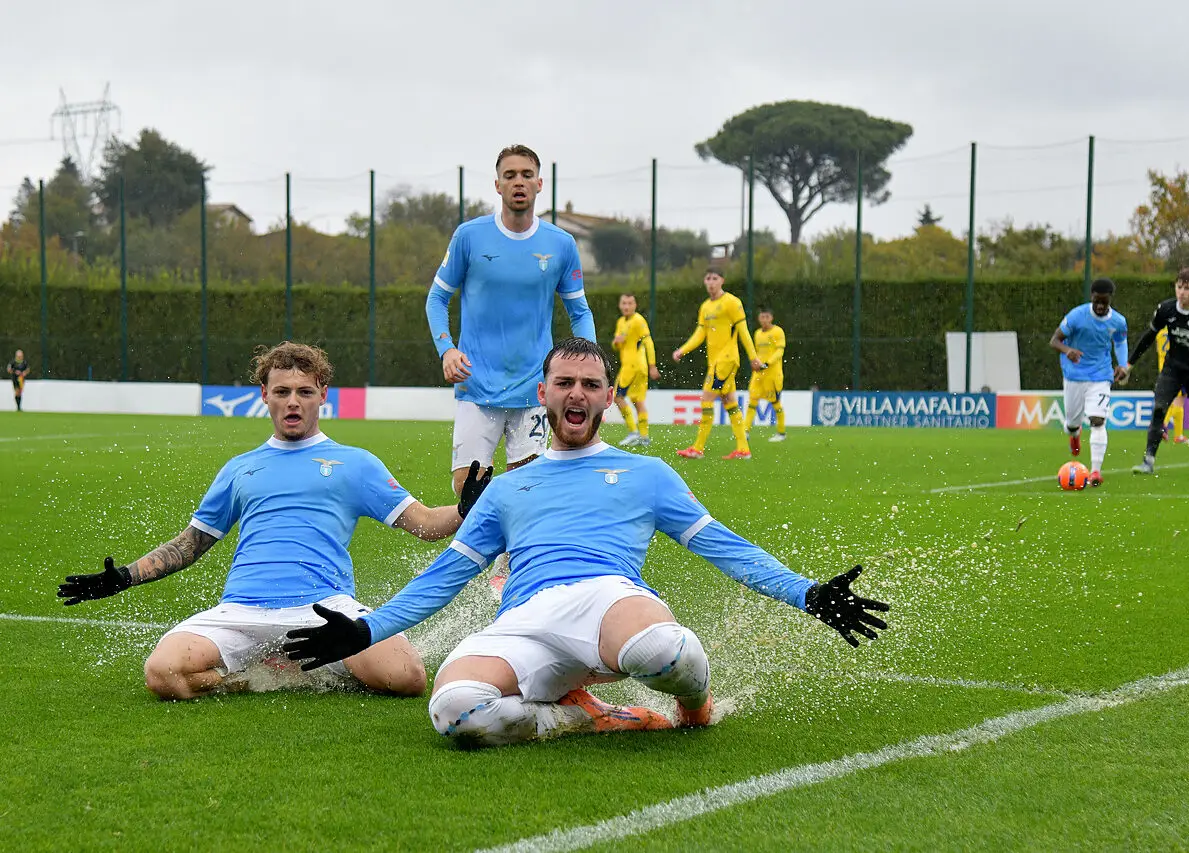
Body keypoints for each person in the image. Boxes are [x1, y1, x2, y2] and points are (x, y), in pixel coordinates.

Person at [284, 338, 889, 748]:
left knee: (666, 652)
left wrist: (807, 594)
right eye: (565, 382)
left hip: (608, 601)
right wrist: (368, 630)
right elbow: (444, 578)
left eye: (591, 384)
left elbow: (725, 547)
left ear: (608, 397)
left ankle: (694, 709)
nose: (577, 393)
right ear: (543, 394)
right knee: (456, 713)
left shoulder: (646, 474)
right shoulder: (506, 489)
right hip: (523, 619)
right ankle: (584, 714)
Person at [57, 342, 492, 701]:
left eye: (304, 392)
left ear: (323, 393)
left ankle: (303, 661)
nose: (292, 402)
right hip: (242, 611)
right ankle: (271, 675)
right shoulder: (239, 469)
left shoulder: (355, 464)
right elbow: (190, 544)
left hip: (325, 609)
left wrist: (462, 511)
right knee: (163, 673)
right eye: (281, 391)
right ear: (264, 395)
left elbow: (422, 523)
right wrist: (125, 577)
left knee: (407, 676)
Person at [426, 143, 596, 498]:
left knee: (527, 492)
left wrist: (589, 365)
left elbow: (579, 312)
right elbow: (437, 298)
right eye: (510, 175)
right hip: (476, 383)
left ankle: (509, 558)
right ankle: (483, 553)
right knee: (467, 491)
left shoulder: (561, 244)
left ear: (539, 184)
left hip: (535, 385)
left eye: (526, 175)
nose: (519, 181)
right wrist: (447, 350)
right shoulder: (468, 236)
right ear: (497, 185)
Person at [1126, 267, 1189, 474]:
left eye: (1187, 288)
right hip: (1173, 369)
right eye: (1179, 287)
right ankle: (1148, 461)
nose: (1182, 292)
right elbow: (1149, 336)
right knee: (1158, 409)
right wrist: (1129, 364)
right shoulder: (1166, 309)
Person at [672, 269, 764, 460]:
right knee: (730, 403)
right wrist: (683, 350)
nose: (711, 282)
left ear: (722, 280)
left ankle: (697, 448)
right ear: (704, 282)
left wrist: (753, 357)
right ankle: (743, 449)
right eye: (708, 278)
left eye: (715, 278)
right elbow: (700, 334)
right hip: (715, 362)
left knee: (706, 399)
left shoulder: (732, 302)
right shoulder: (705, 307)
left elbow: (744, 331)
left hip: (727, 360)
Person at [1049, 278, 1129, 486]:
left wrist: (1122, 365)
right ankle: (1074, 434)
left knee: (1098, 419)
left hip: (1101, 376)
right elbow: (1054, 340)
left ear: (1110, 299)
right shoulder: (1076, 316)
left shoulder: (1118, 321)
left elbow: (1120, 342)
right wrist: (1068, 351)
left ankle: (1095, 472)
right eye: (1097, 301)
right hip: (1074, 375)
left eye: (1104, 302)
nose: (1100, 306)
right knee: (1072, 423)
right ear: (1091, 298)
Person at [610, 293, 659, 448]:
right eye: (624, 303)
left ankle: (633, 432)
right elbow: (616, 345)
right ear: (619, 305)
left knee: (617, 397)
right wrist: (616, 342)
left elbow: (648, 342)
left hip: (633, 367)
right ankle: (644, 437)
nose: (626, 306)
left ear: (635, 305)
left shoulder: (638, 320)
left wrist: (653, 365)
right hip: (638, 367)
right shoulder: (621, 322)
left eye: (630, 303)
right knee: (638, 401)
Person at [746, 307, 787, 443]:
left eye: (767, 317)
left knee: (775, 403)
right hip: (758, 374)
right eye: (762, 317)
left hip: (773, 374)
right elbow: (758, 352)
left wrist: (767, 363)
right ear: (759, 318)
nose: (764, 320)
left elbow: (779, 352)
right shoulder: (757, 333)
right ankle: (745, 432)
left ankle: (781, 433)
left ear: (771, 318)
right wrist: (755, 362)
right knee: (752, 401)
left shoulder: (778, 331)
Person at [1155, 327, 1189, 445]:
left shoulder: (1159, 333)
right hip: (1176, 369)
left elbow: (1158, 350)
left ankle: (1178, 435)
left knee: (1179, 401)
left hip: (1163, 370)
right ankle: (1163, 426)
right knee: (1177, 401)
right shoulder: (1177, 330)